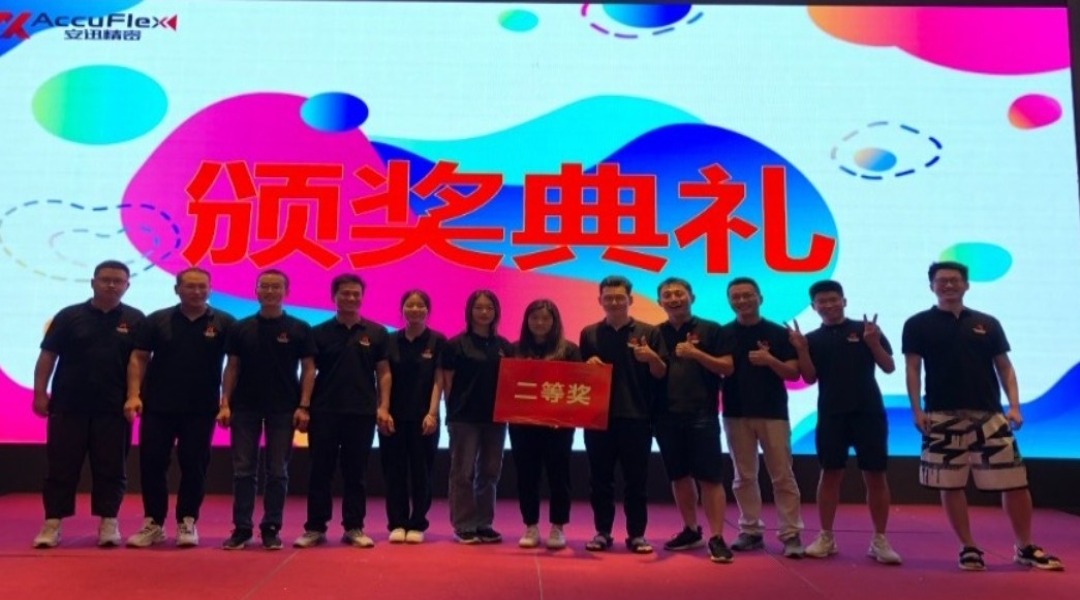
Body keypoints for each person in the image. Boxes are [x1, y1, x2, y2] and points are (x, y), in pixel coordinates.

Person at [902, 261, 1063, 571]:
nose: (948, 285)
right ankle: (968, 547)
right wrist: (916, 409)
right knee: (951, 484)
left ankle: (1025, 546)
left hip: (990, 415)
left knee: (1015, 482)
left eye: (955, 280)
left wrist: (1014, 406)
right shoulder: (917, 324)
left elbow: (1004, 367)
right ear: (931, 286)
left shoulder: (987, 323)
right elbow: (913, 369)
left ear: (966, 285)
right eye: (942, 280)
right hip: (940, 415)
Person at [32, 260, 146, 548]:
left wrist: (134, 396)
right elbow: (47, 356)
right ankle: (52, 523)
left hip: (114, 408)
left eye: (118, 281)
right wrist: (40, 393)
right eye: (105, 280)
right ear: (93, 282)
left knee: (111, 468)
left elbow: (140, 363)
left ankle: (108, 522)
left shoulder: (135, 319)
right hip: (68, 406)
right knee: (61, 467)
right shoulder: (68, 316)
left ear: (127, 286)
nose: (111, 285)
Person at [789, 280, 901, 564]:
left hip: (869, 413)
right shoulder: (812, 339)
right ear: (814, 307)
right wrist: (801, 350)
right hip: (831, 415)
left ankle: (880, 539)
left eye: (833, 299)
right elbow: (809, 377)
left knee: (875, 475)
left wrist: (873, 343)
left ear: (844, 301)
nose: (828, 305)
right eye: (822, 302)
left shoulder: (867, 330)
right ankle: (826, 536)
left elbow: (889, 367)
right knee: (830, 474)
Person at [124, 267, 235, 548]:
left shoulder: (224, 322)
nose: (196, 292)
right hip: (158, 406)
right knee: (152, 463)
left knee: (194, 464)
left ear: (210, 289)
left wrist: (226, 402)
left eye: (202, 287)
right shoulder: (157, 320)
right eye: (190, 286)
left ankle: (187, 520)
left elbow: (233, 366)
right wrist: (134, 395)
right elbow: (138, 358)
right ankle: (154, 522)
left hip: (201, 408)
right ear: (177, 290)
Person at [217, 269, 316, 550]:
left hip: (284, 408)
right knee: (243, 471)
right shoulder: (240, 328)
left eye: (276, 287)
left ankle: (271, 527)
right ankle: (242, 528)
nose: (270, 291)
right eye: (265, 286)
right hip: (244, 407)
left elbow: (309, 369)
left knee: (278, 471)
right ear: (256, 291)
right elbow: (231, 367)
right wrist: (225, 402)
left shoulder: (299, 328)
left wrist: (304, 405)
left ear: (286, 291)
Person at [293, 274, 389, 549]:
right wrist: (304, 406)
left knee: (355, 472)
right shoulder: (318, 332)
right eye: (345, 293)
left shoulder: (376, 332)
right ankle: (315, 528)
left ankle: (354, 527)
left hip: (361, 412)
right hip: (324, 411)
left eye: (356, 294)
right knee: (320, 471)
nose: (351, 298)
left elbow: (383, 373)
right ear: (333, 296)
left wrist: (383, 407)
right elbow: (309, 371)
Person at [579, 275, 666, 554]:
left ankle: (637, 534)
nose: (614, 302)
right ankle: (602, 532)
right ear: (600, 300)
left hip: (637, 416)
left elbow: (661, 373)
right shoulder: (589, 333)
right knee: (599, 480)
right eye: (609, 298)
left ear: (630, 299)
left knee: (636, 480)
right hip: (598, 418)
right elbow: (581, 376)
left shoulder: (649, 332)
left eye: (620, 297)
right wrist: (588, 365)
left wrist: (652, 358)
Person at [721, 276, 805, 557]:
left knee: (782, 476)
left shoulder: (778, 333)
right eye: (736, 297)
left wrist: (770, 361)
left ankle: (790, 533)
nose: (742, 301)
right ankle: (750, 530)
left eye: (747, 295)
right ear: (729, 301)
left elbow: (793, 373)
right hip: (735, 412)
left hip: (773, 412)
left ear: (760, 298)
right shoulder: (723, 334)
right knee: (743, 476)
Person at [655, 278, 734, 563]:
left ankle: (717, 537)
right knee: (678, 476)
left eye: (679, 293)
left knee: (710, 477)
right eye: (667, 295)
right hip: (665, 415)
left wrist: (696, 354)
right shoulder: (655, 333)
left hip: (702, 414)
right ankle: (690, 530)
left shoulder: (712, 329)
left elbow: (727, 367)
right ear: (659, 302)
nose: (674, 298)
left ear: (692, 297)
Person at [441, 289, 515, 544]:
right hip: (464, 418)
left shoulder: (504, 346)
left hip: (496, 417)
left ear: (496, 312)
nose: (484, 312)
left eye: (489, 308)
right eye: (478, 307)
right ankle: (464, 524)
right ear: (469, 311)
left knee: (490, 471)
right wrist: (452, 413)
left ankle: (484, 522)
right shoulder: (455, 344)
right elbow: (448, 383)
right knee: (463, 472)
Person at [510, 299, 582, 550]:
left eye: (545, 318)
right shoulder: (514, 349)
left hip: (558, 427)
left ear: (554, 322)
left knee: (558, 475)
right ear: (526, 321)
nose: (540, 323)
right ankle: (530, 525)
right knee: (526, 475)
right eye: (534, 318)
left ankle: (557, 526)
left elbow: (577, 388)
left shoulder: (569, 351)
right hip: (522, 426)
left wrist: (564, 417)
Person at [380, 290, 446, 544]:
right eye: (410, 305)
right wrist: (383, 410)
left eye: (420, 305)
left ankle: (418, 522)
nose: (415, 309)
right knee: (394, 472)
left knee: (422, 472)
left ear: (428, 310)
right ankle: (397, 522)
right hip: (393, 418)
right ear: (402, 309)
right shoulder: (389, 340)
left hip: (423, 419)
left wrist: (432, 413)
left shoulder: (437, 341)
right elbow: (383, 377)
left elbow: (438, 380)